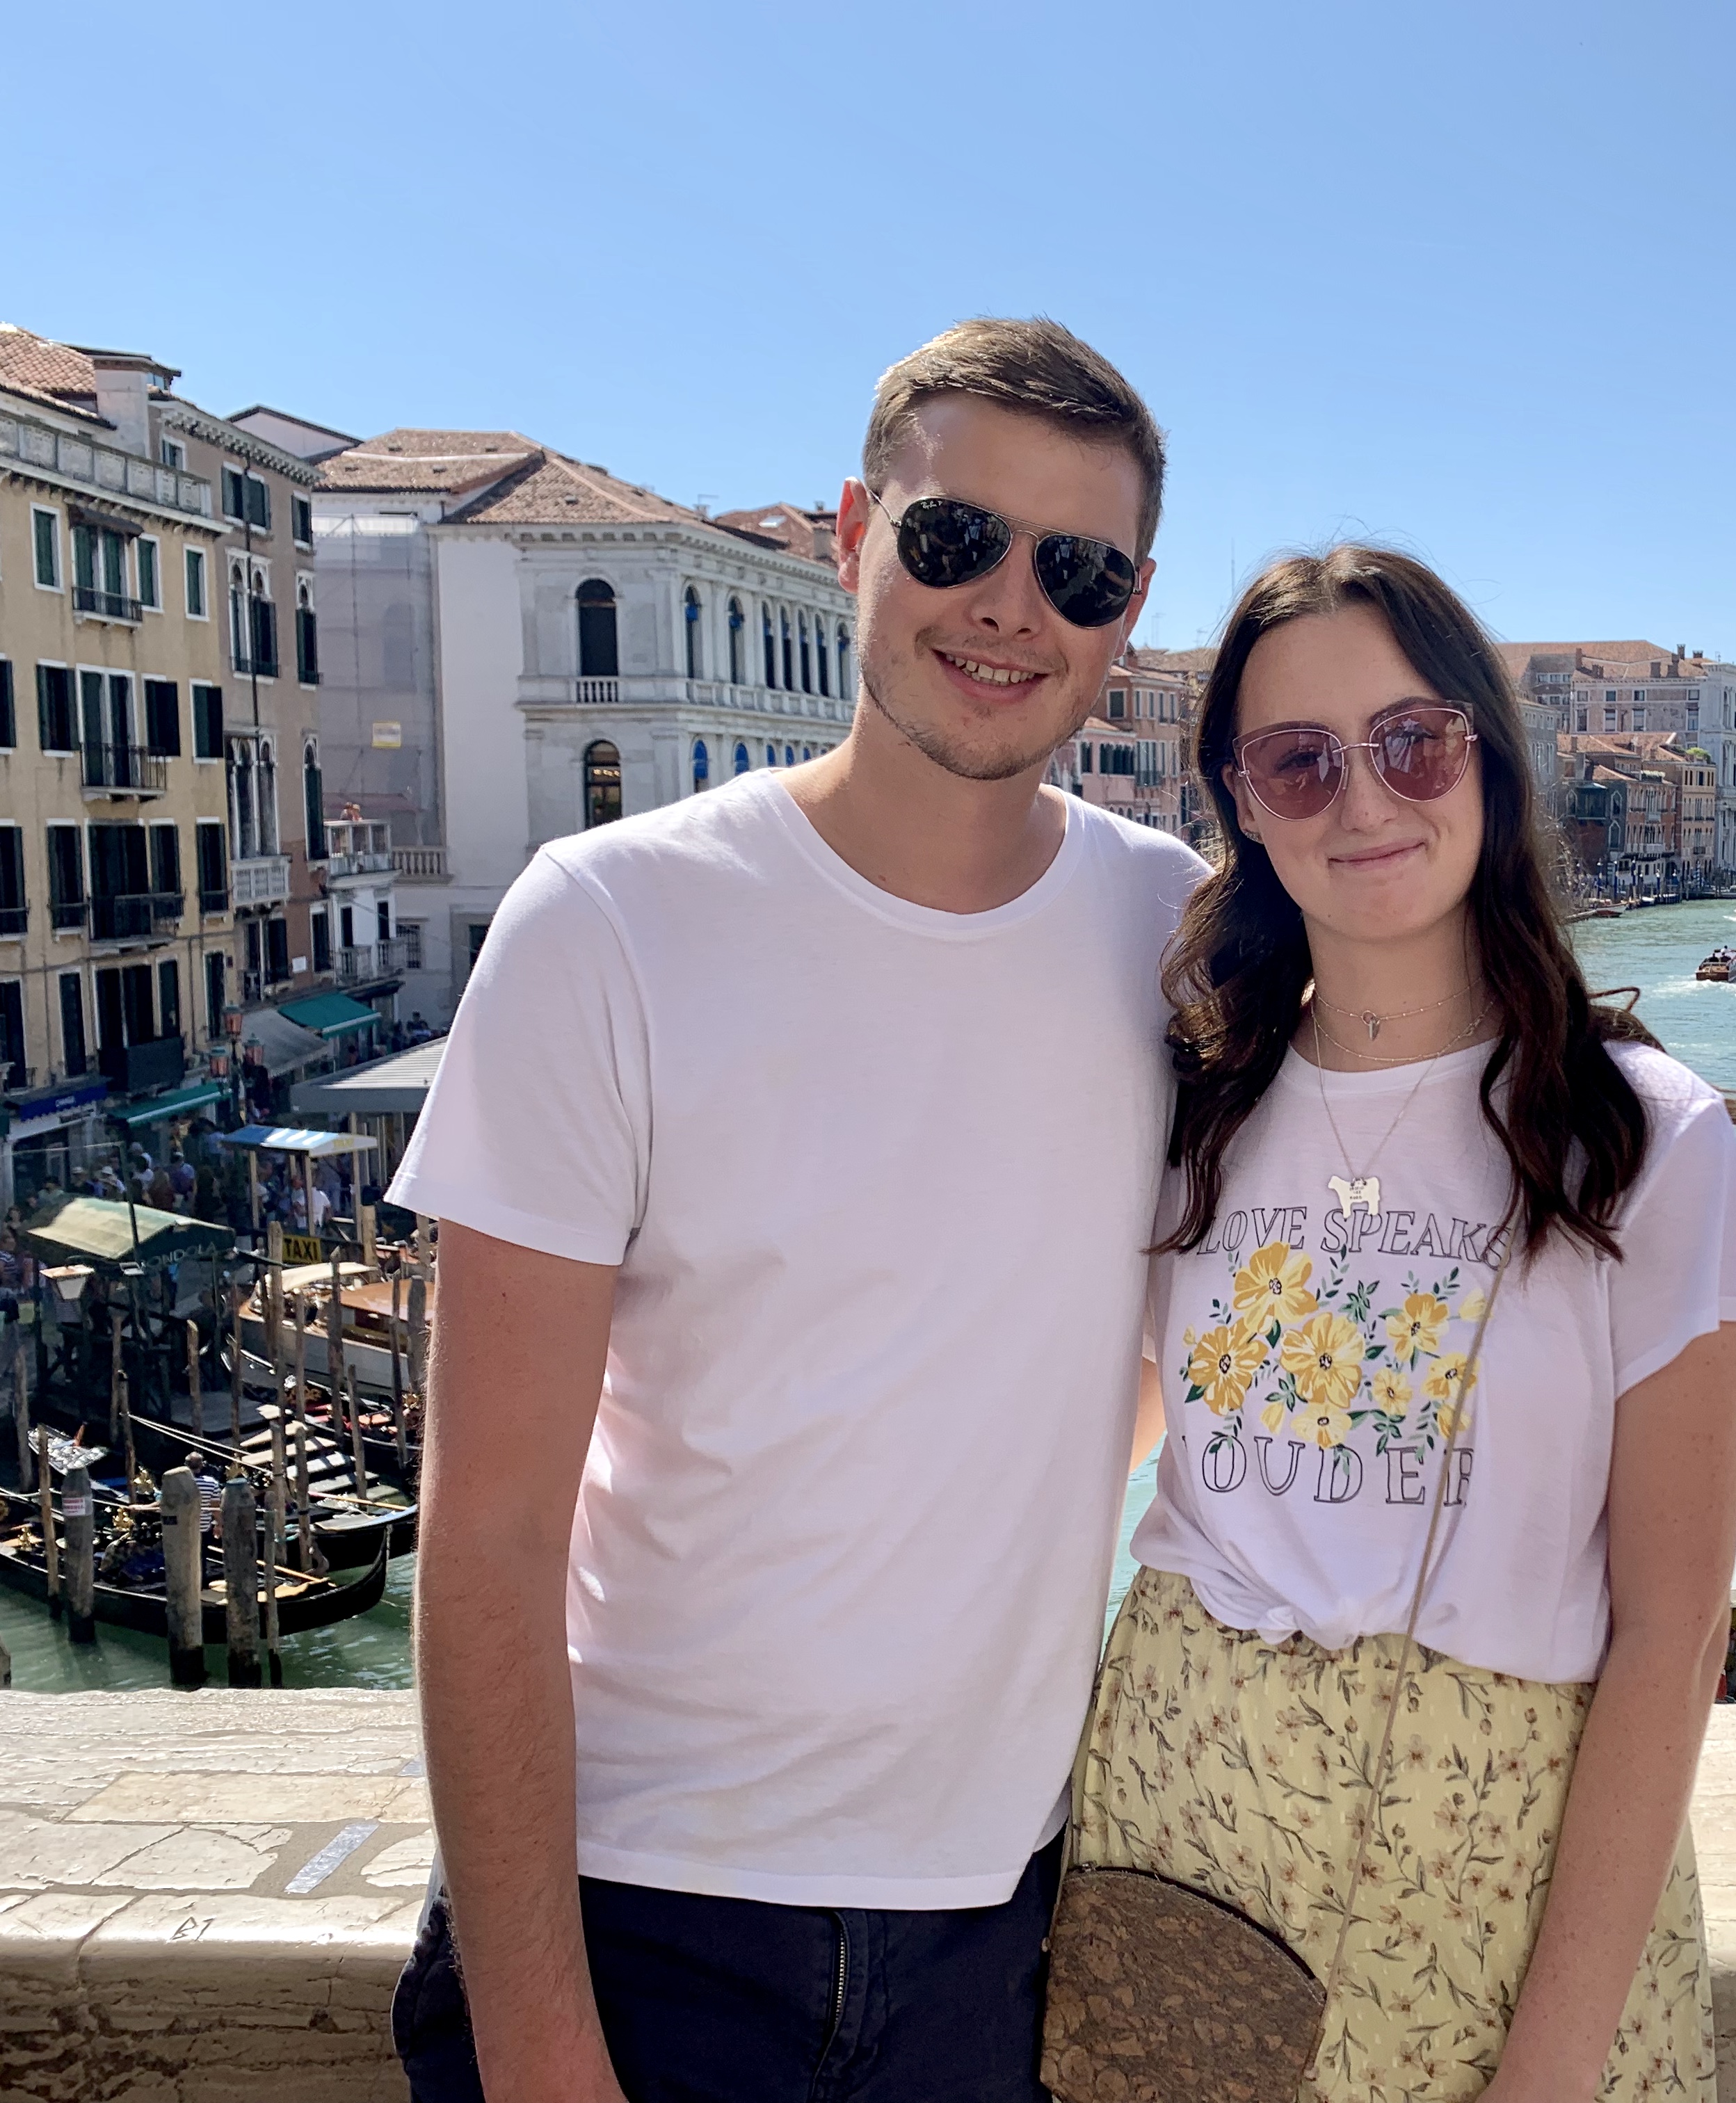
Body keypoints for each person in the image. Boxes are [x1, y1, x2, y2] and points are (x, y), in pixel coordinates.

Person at [389, 318, 1205, 2103]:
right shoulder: (602, 924)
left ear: (1127, 611)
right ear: (853, 535)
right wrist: (541, 2050)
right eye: (954, 538)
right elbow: (490, 1534)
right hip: (643, 1911)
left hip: (1001, 1922)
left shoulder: (1174, 936)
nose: (1009, 607)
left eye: (1075, 571)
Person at [1070, 547, 1736, 2102]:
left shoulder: (1640, 1140)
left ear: (1486, 757)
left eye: (1411, 742)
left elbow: (1670, 1634)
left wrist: (1548, 2071)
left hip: (1496, 1867)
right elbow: (1089, 1440)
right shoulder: (1191, 1111)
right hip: (1177, 1822)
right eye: (1297, 761)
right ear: (1243, 803)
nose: (1363, 800)